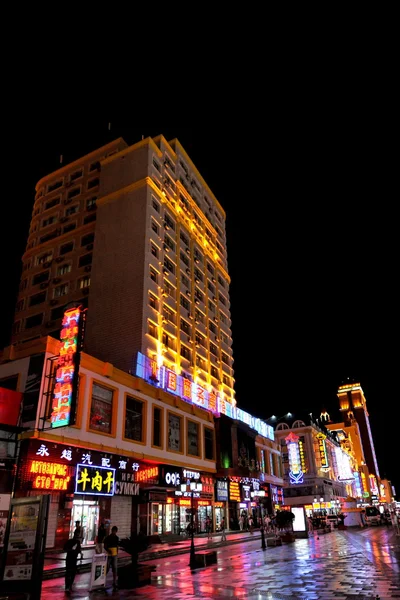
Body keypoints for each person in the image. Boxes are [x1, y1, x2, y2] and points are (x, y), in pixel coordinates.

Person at [104, 525, 119, 590]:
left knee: (115, 568)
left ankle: (114, 581)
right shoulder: (108, 538)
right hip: (109, 555)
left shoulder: (116, 538)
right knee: (107, 568)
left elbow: (117, 546)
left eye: (115, 531)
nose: (114, 532)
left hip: (114, 554)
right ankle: (103, 580)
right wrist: (108, 550)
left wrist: (117, 552)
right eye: (113, 531)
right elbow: (105, 546)